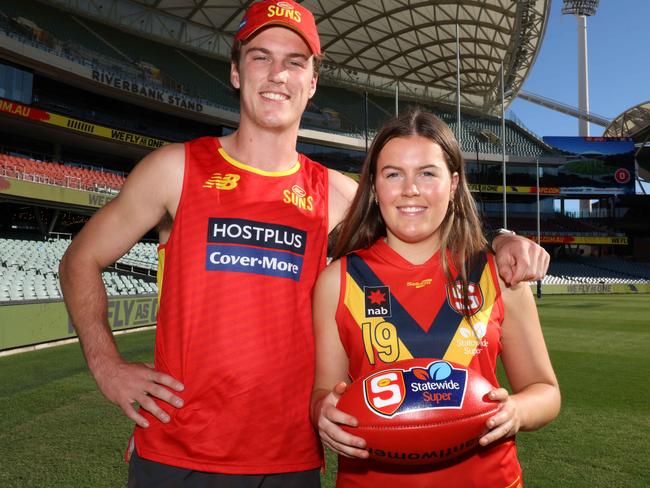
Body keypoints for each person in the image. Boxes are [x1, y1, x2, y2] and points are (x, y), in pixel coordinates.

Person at [59, 1, 550, 485]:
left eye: (295, 62)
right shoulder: (175, 169)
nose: (278, 74)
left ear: (312, 82)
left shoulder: (337, 193)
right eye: (261, 57)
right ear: (235, 72)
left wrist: (502, 242)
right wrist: (109, 367)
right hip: (175, 450)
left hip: (289, 457)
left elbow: (422, 212)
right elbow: (82, 257)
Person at [310, 109, 561, 487]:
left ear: (454, 183)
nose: (410, 188)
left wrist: (516, 411)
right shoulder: (338, 280)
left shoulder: (500, 275)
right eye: (393, 174)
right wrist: (323, 413)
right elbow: (323, 392)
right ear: (375, 188)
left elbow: (546, 392)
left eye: (427, 173)